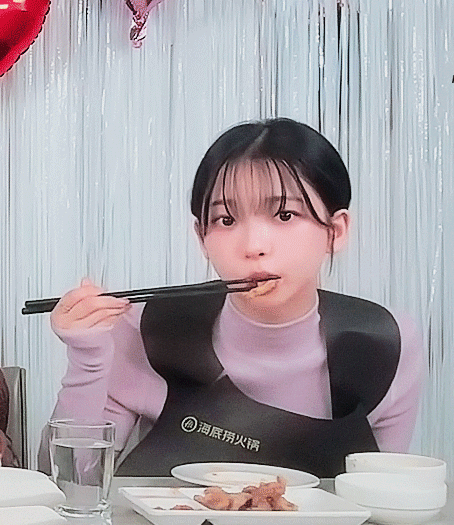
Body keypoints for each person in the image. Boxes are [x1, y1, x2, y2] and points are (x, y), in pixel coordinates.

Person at [38, 118, 424, 477]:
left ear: (335, 232)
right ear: (201, 237)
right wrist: (87, 359)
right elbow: (68, 482)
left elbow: (383, 505)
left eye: (285, 215)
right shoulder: (144, 330)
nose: (253, 246)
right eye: (226, 220)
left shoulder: (385, 345)